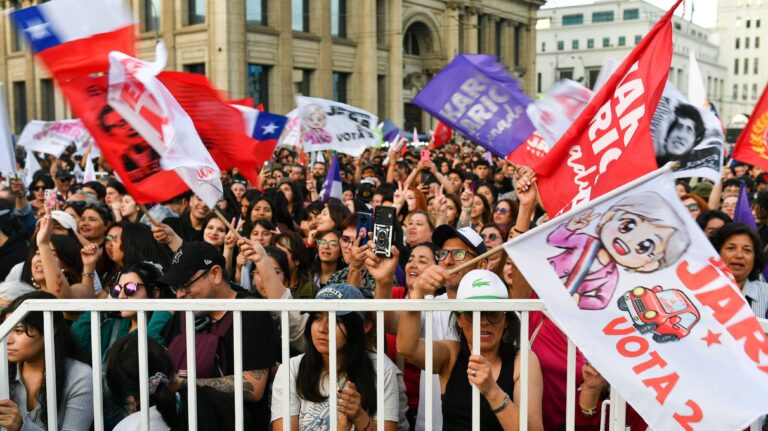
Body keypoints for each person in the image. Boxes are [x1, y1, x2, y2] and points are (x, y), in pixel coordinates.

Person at [397, 269, 544, 431]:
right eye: (472, 313)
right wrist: (417, 293)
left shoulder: (523, 361)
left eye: (493, 313)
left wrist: (492, 391)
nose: (483, 321)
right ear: (459, 319)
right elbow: (407, 347)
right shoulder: (451, 354)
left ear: (506, 320)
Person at [159, 241, 277, 429]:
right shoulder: (185, 312)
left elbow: (254, 387)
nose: (180, 295)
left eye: (185, 285)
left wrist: (183, 383)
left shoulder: (251, 312)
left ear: (215, 274)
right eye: (175, 288)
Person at [271, 284, 400, 431]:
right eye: (317, 318)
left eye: (336, 321)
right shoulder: (291, 369)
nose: (322, 328)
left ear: (359, 326)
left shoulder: (381, 368)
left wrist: (359, 416)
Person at [0, 291, 93, 431]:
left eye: (19, 331)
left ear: (51, 329)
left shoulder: (80, 376)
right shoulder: (2, 369)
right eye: (6, 330)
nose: (8, 340)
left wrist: (22, 427)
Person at [711, 223, 768, 318]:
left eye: (747, 250)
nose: (739, 255)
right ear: (717, 253)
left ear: (755, 257)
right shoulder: (696, 291)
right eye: (731, 248)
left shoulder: (766, 293)